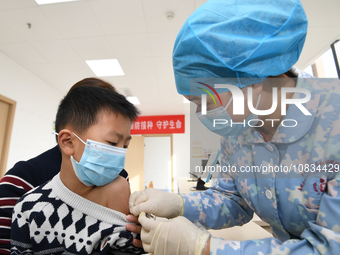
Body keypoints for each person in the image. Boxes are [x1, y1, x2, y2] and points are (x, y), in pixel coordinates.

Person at [129, 0, 340, 254]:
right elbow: (233, 200)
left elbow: (329, 247)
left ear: (252, 80)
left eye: (204, 102)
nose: (202, 115)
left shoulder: (333, 123)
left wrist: (206, 249)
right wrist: (179, 203)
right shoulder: (238, 131)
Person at [0, 78, 135, 255]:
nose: (119, 155)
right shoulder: (24, 187)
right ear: (67, 141)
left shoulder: (119, 181)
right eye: (111, 142)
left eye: (125, 147)